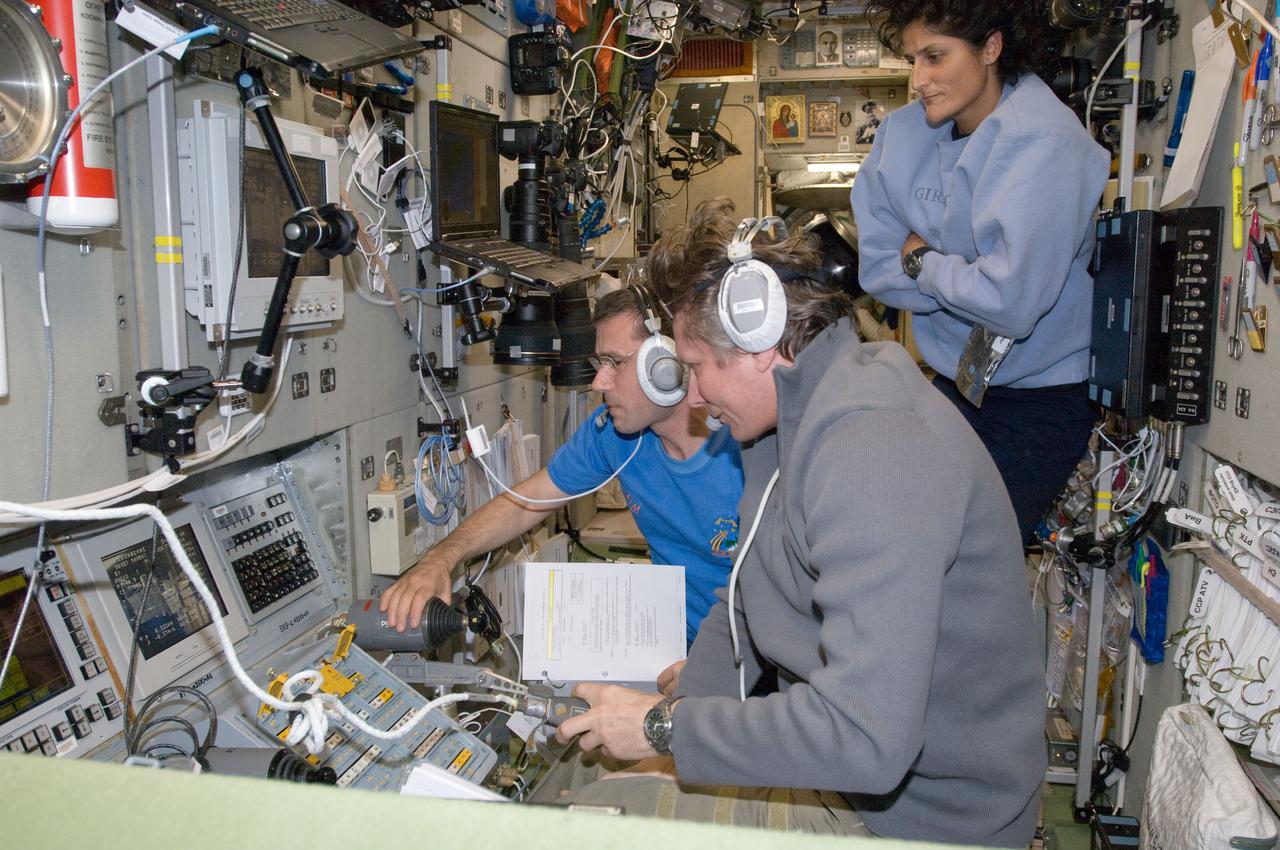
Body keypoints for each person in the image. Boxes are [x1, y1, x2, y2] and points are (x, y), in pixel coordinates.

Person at [553, 200, 1045, 847]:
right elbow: (744, 602)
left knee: (587, 834)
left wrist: (660, 730)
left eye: (697, 369)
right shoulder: (789, 421)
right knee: (593, 800)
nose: (692, 399)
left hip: (921, 824)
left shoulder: (875, 448)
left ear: (761, 344)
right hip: (851, 787)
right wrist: (673, 721)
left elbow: (864, 736)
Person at [851, 0, 1107, 545]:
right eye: (912, 59)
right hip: (958, 384)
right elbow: (877, 270)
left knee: (969, 563)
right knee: (903, 540)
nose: (918, 79)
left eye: (935, 57)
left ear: (991, 48)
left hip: (1038, 402)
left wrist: (923, 261)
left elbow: (1011, 306)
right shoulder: (901, 139)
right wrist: (971, 280)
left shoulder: (1048, 143)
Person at [379, 287, 743, 646]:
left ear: (666, 367)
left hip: (750, 660)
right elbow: (526, 501)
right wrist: (440, 558)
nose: (599, 382)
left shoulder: (744, 448)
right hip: (682, 647)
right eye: (600, 364)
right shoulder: (613, 436)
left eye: (615, 362)